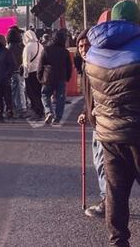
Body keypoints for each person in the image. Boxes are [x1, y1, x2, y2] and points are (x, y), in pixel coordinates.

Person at [85, 0, 140, 246]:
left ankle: (118, 241)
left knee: (116, 192)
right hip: (136, 131)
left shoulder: (93, 52)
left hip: (108, 133)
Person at [75, 30, 107, 219]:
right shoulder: (87, 65)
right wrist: (85, 112)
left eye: (87, 45)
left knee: (103, 163)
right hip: (99, 121)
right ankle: (108, 200)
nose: (84, 49)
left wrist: (95, 110)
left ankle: (107, 202)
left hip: (105, 123)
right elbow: (90, 97)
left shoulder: (97, 66)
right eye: (80, 46)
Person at [38, 29, 73, 125]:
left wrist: (40, 76)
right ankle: (57, 118)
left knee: (45, 95)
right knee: (60, 98)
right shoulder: (65, 52)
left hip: (48, 76)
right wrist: (68, 77)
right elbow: (69, 66)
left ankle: (48, 112)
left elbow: (41, 65)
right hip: (61, 76)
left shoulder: (46, 49)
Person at [22, 30, 45, 121]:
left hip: (31, 72)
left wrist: (25, 73)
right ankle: (41, 110)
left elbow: (26, 62)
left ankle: (36, 111)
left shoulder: (28, 47)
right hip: (39, 71)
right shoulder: (40, 45)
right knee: (39, 92)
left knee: (32, 93)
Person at [7, 26, 27, 118]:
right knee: (20, 90)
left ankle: (14, 109)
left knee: (14, 91)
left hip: (12, 72)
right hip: (20, 71)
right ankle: (21, 108)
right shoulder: (21, 47)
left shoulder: (9, 48)